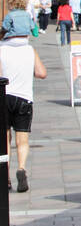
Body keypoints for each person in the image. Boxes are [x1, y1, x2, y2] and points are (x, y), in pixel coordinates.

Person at [0, 34, 48, 191]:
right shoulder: (29, 50)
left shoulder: (2, 50)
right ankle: (21, 168)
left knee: (5, 139)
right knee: (23, 140)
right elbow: (42, 73)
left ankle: (5, 177)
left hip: (4, 97)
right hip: (24, 98)